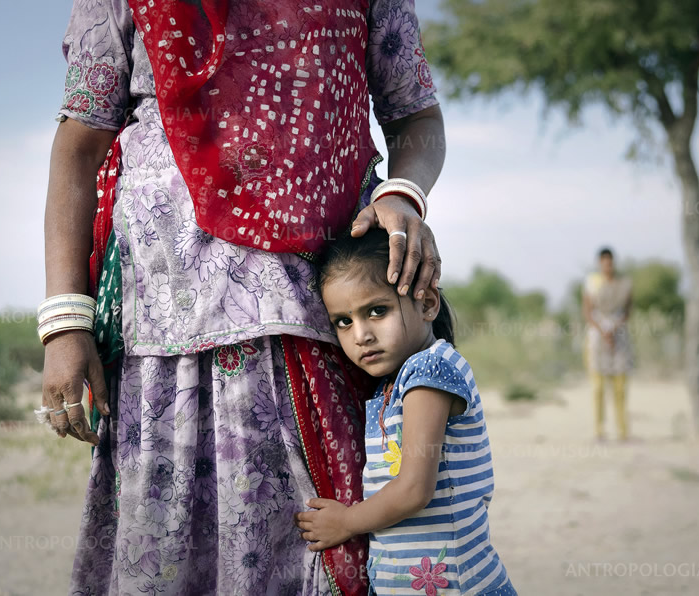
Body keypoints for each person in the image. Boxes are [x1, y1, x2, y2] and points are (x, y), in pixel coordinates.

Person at [39, 1, 446, 594]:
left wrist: (405, 193)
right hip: (162, 328)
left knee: (323, 538)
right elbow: (80, 143)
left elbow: (417, 118)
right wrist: (64, 323)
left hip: (312, 312)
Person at [294, 228, 517, 595]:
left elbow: (414, 488)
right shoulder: (392, 384)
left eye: (376, 311)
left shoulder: (430, 371)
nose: (360, 334)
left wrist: (347, 522)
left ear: (427, 303)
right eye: (343, 321)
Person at [582, 247, 634, 441]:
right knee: (598, 387)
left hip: (619, 335)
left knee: (620, 386)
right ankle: (599, 429)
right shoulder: (592, 284)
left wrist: (615, 327)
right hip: (597, 335)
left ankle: (623, 430)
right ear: (599, 263)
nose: (607, 265)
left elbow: (628, 310)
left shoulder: (624, 284)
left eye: (610, 261)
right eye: (604, 261)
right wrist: (602, 329)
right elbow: (587, 311)